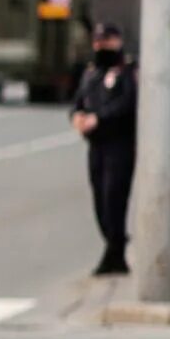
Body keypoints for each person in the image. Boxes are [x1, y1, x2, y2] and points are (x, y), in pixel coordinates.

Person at [69, 23, 138, 276]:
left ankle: (115, 254)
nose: (100, 45)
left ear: (117, 41)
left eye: (105, 40)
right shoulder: (91, 73)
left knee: (113, 199)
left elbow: (127, 104)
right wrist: (77, 116)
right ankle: (115, 247)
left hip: (119, 146)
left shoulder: (126, 71)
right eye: (97, 41)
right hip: (96, 146)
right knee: (99, 201)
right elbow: (78, 100)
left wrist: (99, 118)